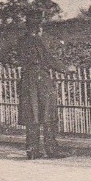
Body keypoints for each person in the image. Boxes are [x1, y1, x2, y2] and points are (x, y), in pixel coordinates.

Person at [18, 15, 73, 159]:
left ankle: (32, 150)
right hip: (40, 78)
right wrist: (66, 69)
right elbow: (48, 59)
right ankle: (52, 149)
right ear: (38, 28)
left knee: (32, 115)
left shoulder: (22, 41)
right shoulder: (37, 41)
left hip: (26, 78)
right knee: (49, 114)